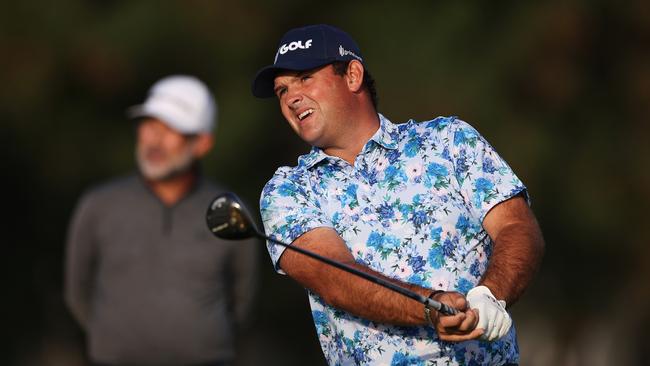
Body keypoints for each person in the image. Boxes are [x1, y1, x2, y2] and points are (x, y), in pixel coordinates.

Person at [251, 24, 544, 365]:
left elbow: (517, 227)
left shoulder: (448, 140)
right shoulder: (288, 190)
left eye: (304, 78)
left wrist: (490, 294)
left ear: (352, 75)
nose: (291, 97)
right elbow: (335, 277)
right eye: (282, 90)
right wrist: (430, 306)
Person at [65, 75, 258, 366]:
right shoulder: (98, 205)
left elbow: (242, 298)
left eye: (171, 130)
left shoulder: (229, 209)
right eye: (149, 125)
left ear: (202, 143)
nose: (154, 140)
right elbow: (77, 291)